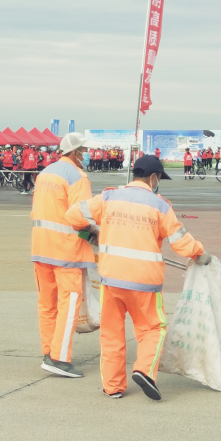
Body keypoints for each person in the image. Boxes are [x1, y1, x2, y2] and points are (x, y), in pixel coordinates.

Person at [66, 155, 207, 400]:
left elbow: (72, 216)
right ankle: (144, 370)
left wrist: (93, 230)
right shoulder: (160, 205)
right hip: (145, 283)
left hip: (111, 281)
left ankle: (112, 387)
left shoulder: (109, 197)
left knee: (111, 333)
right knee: (153, 328)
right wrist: (200, 254)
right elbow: (180, 241)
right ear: (153, 178)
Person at [30, 133, 97, 379]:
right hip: (65, 250)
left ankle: (48, 352)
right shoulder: (77, 176)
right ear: (75, 152)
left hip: (40, 247)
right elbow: (82, 215)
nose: (87, 154)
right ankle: (58, 358)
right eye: (84, 150)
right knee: (68, 305)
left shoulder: (45, 172)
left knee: (46, 304)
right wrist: (96, 232)